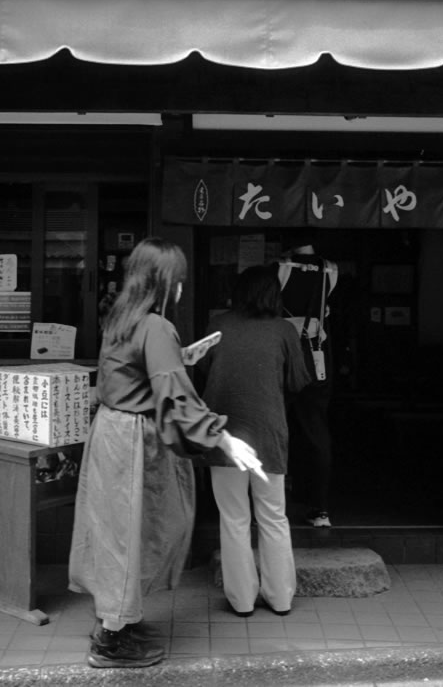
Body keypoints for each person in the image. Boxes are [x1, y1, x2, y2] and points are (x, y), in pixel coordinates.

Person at [68, 236, 265, 669]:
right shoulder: (157, 326)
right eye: (178, 281)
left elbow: (140, 374)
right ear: (164, 282)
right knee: (135, 531)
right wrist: (226, 439)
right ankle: (110, 642)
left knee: (117, 531)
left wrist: (180, 357)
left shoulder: (121, 315)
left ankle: (119, 617)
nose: (180, 289)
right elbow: (176, 397)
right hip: (134, 439)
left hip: (110, 431)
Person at [198, 265, 311, 618]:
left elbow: (201, 371)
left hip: (224, 434)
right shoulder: (283, 330)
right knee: (273, 516)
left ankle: (241, 601)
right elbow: (298, 382)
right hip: (269, 433)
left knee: (233, 518)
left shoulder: (218, 325)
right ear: (273, 295)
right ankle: (280, 598)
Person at [277, 241, 339, 528]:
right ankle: (320, 508)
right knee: (316, 430)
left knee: (274, 428)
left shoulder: (282, 268)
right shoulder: (330, 269)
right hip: (317, 354)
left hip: (284, 353)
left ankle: (270, 507)